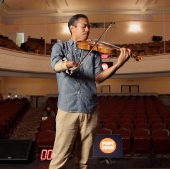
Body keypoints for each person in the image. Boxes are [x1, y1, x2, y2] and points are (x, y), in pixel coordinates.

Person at [49, 14, 131, 169]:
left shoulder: (94, 51)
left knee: (83, 161)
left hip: (90, 108)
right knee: (59, 159)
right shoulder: (60, 47)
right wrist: (67, 64)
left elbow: (99, 78)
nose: (87, 29)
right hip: (68, 109)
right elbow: (55, 65)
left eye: (89, 26)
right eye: (83, 26)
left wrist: (118, 65)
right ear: (72, 28)